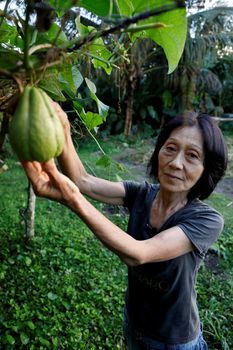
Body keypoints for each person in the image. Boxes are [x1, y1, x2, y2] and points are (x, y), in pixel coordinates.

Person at [22, 105, 228, 350]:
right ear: (159, 151)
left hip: (174, 340)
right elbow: (83, 181)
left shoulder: (206, 220)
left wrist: (73, 200)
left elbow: (137, 253)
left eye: (192, 156)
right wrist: (63, 128)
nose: (175, 163)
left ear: (207, 170)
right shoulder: (141, 194)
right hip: (135, 322)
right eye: (170, 149)